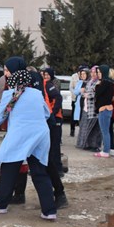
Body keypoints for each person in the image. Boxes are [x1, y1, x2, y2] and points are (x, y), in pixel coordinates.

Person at [0, 56, 57, 221]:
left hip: (20, 135)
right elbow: (46, 113)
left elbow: (1, 116)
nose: (5, 74)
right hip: (40, 135)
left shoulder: (10, 95)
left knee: (8, 168)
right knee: (39, 172)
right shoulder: (36, 93)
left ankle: (0, 205)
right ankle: (49, 210)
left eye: (7, 71)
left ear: (14, 75)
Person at [42, 67, 68, 209]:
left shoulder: (47, 85)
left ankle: (58, 169)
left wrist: (53, 112)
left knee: (54, 146)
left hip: (54, 119)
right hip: (47, 120)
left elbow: (58, 97)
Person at [76, 66, 102, 151]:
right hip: (86, 107)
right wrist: (85, 94)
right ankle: (85, 144)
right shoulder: (90, 82)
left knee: (94, 129)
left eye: (95, 72)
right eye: (92, 72)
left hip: (94, 109)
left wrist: (88, 95)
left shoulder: (99, 82)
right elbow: (83, 92)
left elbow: (98, 94)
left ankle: (94, 146)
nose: (93, 74)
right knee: (84, 127)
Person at [94, 64, 114, 158]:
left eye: (99, 72)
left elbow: (98, 93)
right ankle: (107, 149)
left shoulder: (105, 83)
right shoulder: (109, 82)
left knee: (105, 131)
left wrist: (97, 86)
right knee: (106, 131)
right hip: (106, 109)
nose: (98, 74)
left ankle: (106, 151)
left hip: (104, 109)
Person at [70, 67, 88, 137]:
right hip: (79, 104)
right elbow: (75, 91)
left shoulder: (89, 82)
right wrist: (80, 90)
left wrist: (84, 91)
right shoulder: (80, 82)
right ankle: (81, 138)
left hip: (86, 105)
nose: (82, 76)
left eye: (84, 74)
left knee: (85, 122)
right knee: (80, 121)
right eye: (81, 74)